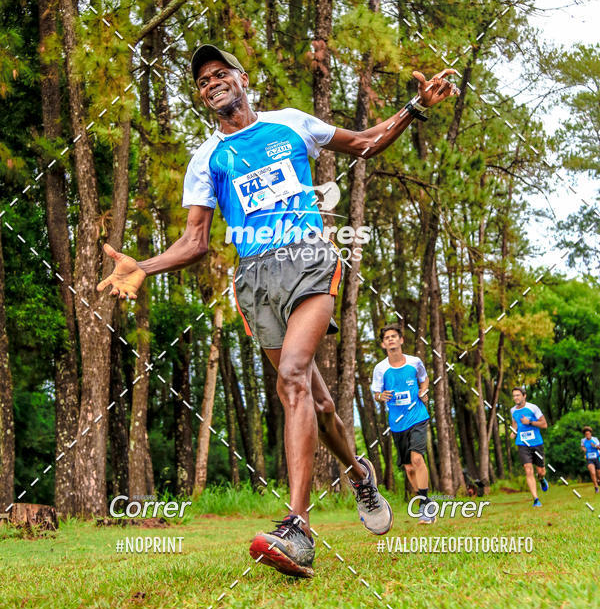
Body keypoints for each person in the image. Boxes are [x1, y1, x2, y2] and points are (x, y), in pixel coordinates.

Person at [97, 43, 458, 577]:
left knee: (292, 376)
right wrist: (145, 267)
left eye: (221, 74)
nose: (213, 83)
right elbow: (196, 241)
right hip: (255, 280)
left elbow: (363, 143)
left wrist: (415, 107)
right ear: (202, 98)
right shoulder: (206, 160)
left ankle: (297, 527)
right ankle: (361, 475)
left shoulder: (290, 124)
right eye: (203, 82)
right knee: (321, 402)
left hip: (309, 257)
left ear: (243, 79)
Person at [371, 323, 435, 524]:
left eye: (394, 336)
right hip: (397, 423)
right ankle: (425, 500)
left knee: (417, 460)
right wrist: (382, 396)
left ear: (401, 340)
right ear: (383, 344)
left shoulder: (415, 362)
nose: (390, 339)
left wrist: (423, 391)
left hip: (417, 416)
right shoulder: (380, 369)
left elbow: (424, 380)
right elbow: (376, 394)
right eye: (387, 337)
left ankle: (425, 505)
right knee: (408, 468)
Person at [510, 388, 549, 507]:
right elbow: (515, 423)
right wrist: (513, 431)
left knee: (541, 471)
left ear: (524, 396)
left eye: (518, 395)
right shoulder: (513, 410)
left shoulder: (533, 408)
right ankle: (536, 499)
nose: (516, 398)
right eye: (514, 396)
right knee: (528, 469)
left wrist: (530, 422)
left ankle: (541, 479)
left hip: (536, 443)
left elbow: (544, 424)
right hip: (522, 443)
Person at [580, 426, 600, 492]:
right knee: (592, 472)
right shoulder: (583, 440)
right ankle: (596, 487)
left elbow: (599, 447)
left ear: (591, 433)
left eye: (588, 434)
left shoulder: (595, 439)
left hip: (596, 458)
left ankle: (598, 481)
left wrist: (594, 446)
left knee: (599, 474)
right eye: (586, 434)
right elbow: (582, 447)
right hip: (589, 459)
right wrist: (584, 449)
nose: (587, 435)